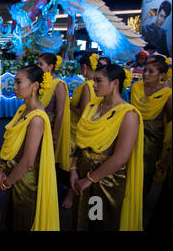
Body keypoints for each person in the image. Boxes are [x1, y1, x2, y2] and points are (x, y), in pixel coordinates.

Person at [71, 63, 143, 231]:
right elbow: (80, 141)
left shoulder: (127, 115)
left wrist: (88, 180)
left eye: (98, 80)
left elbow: (120, 158)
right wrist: (74, 169)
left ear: (115, 83)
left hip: (105, 180)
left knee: (98, 220)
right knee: (81, 218)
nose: (93, 84)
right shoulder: (92, 107)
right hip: (81, 171)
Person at [0, 65, 59, 231]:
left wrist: (7, 181)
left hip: (24, 181)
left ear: (34, 86)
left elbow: (27, 161)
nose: (15, 87)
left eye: (19, 82)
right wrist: (4, 168)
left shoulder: (37, 118)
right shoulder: (23, 109)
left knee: (22, 222)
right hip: (15, 174)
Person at [61, 52, 99, 209]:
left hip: (77, 129)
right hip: (90, 128)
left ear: (84, 67)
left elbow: (84, 112)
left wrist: (70, 106)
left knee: (73, 160)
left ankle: (71, 192)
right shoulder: (97, 85)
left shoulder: (87, 86)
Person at [130, 59, 171, 201]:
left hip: (152, 138)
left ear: (161, 75)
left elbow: (170, 120)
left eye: (151, 72)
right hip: (132, 133)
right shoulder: (136, 87)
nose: (145, 74)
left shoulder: (167, 94)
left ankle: (139, 201)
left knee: (145, 171)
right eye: (145, 70)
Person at [37, 53, 71, 199]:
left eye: (41, 64)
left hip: (51, 128)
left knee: (51, 161)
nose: (38, 67)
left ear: (50, 67)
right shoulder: (41, 82)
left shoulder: (58, 84)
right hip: (39, 127)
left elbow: (61, 111)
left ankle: (52, 194)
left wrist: (55, 135)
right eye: (37, 63)